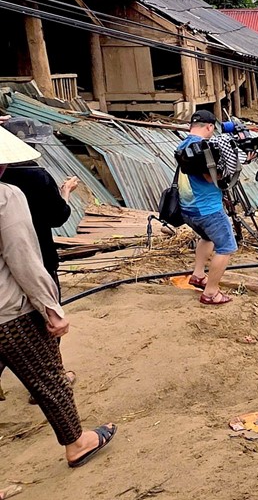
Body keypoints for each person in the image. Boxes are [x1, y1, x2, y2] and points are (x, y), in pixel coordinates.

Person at [0, 128, 116, 468]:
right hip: (9, 309)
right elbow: (22, 257)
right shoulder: (9, 195)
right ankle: (77, 443)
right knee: (49, 377)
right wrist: (51, 308)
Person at [0, 118, 79, 395]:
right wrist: (65, 193)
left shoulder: (4, 177)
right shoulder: (37, 176)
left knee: (7, 326)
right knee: (47, 322)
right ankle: (50, 380)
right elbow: (59, 217)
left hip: (3, 269)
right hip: (39, 258)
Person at [176, 110, 241, 305]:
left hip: (188, 208)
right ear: (209, 126)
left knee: (206, 238)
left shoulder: (184, 145)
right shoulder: (202, 148)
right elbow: (208, 176)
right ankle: (211, 292)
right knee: (227, 247)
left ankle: (197, 275)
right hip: (208, 209)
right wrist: (231, 167)